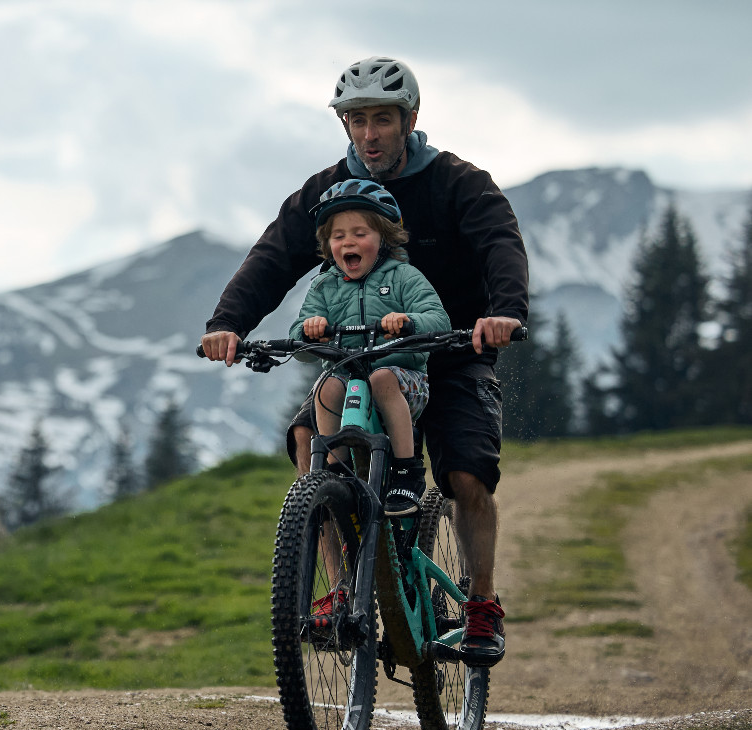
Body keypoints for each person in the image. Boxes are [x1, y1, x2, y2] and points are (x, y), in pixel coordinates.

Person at [201, 56, 529, 667]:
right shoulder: (328, 194)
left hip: (452, 350)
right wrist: (228, 324)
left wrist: (504, 311)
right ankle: (341, 588)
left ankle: (481, 602)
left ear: (410, 119)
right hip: (361, 357)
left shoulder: (459, 183)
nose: (370, 134)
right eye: (357, 121)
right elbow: (273, 257)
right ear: (345, 126)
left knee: (465, 474)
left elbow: (499, 244)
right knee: (307, 434)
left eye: (383, 119)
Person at [290, 178, 451, 518]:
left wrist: (408, 321)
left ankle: (408, 470)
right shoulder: (323, 286)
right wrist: (308, 331)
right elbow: (298, 338)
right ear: (328, 245)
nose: (349, 241)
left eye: (360, 233)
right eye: (338, 236)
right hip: (349, 379)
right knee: (325, 386)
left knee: (381, 379)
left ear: (384, 238)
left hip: (403, 381)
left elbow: (438, 319)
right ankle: (335, 473)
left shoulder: (404, 276)